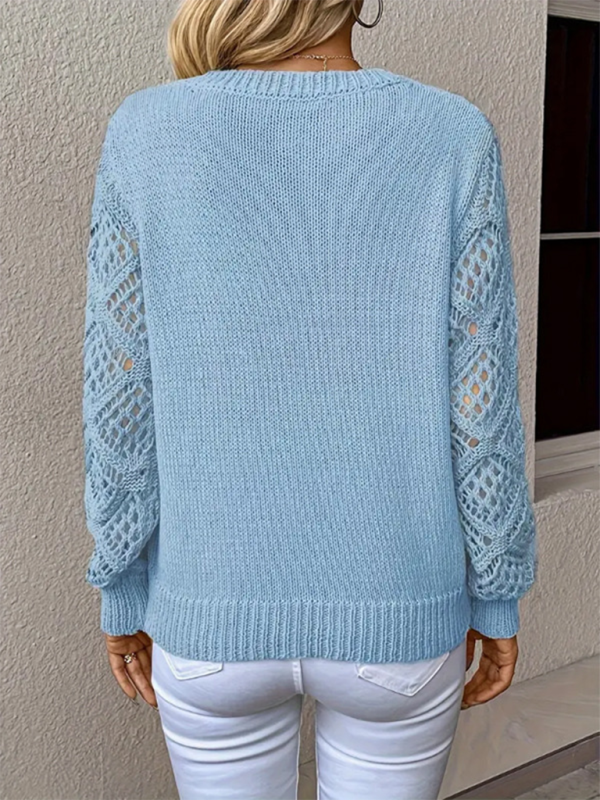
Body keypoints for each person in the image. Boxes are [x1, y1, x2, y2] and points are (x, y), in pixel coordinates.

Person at [81, 0, 538, 797]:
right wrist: (495, 595)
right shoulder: (452, 134)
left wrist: (120, 589)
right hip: (399, 617)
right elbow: (482, 402)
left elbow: (121, 398)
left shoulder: (145, 132)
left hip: (210, 614)